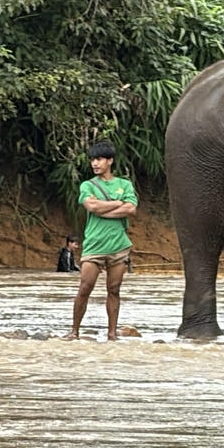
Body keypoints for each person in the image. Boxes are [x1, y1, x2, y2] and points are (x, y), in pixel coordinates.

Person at [67, 141, 136, 340]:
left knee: (114, 289)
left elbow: (131, 208)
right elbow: (92, 206)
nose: (95, 163)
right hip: (94, 245)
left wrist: (104, 209)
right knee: (84, 288)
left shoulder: (124, 184)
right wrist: (117, 203)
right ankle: (74, 331)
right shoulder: (88, 185)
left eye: (99, 159)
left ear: (110, 161)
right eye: (92, 160)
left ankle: (112, 334)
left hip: (119, 245)